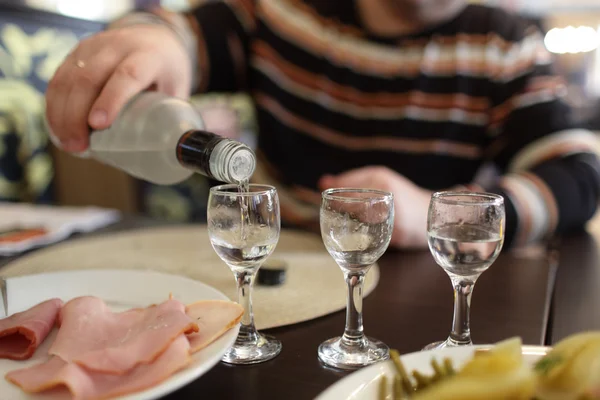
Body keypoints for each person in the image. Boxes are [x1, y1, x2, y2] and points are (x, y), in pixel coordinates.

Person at [45, 0, 600, 249]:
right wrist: (151, 38)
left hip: (422, 287)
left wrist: (438, 214)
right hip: (279, 259)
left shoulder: (506, 45)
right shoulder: (280, 12)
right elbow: (181, 33)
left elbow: (580, 175)